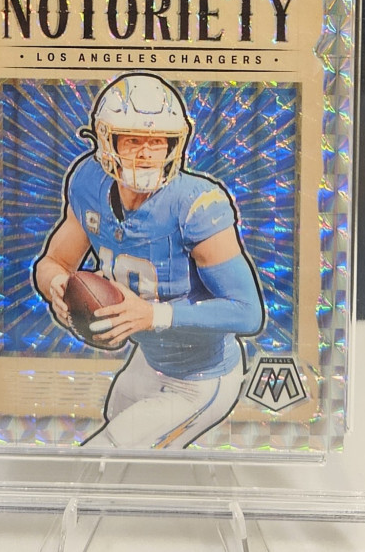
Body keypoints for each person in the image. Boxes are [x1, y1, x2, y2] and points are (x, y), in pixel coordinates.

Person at [34, 72, 265, 449]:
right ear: (107, 141)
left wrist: (153, 315)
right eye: (133, 140)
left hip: (200, 377)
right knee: (112, 434)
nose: (146, 154)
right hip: (150, 359)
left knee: (107, 450)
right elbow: (54, 262)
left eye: (157, 142)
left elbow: (248, 313)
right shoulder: (89, 183)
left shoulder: (194, 205)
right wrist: (56, 286)